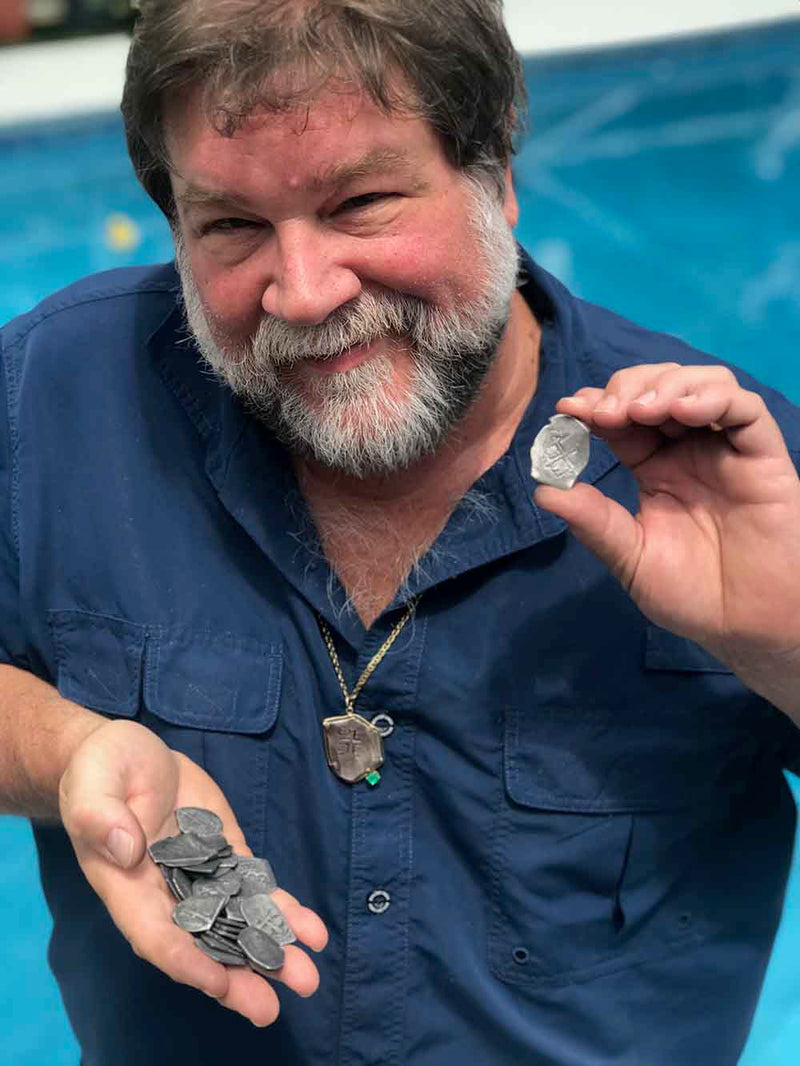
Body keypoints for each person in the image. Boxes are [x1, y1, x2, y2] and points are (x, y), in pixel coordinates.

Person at [2, 1, 800, 1063]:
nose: (303, 290)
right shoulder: (52, 395)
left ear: (498, 180)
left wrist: (784, 642)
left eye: (362, 201)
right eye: (231, 226)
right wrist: (66, 750)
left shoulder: (734, 475)